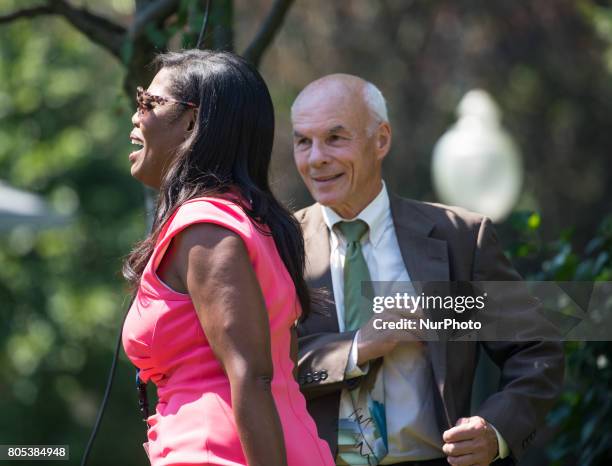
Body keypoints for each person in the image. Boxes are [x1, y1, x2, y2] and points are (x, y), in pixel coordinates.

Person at [291, 74, 564, 466]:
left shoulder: (461, 238)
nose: (316, 157)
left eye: (335, 138)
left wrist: (495, 430)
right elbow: (258, 368)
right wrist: (355, 348)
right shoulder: (275, 246)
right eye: (303, 141)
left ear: (381, 139)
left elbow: (536, 348)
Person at [121, 50, 335, 466]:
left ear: (191, 121)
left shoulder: (205, 228)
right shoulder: (256, 223)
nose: (136, 116)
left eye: (149, 102)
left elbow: (253, 375)